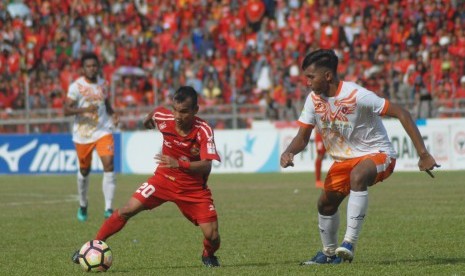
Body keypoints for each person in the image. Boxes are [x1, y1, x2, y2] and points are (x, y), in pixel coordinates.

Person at [280, 49, 439, 264]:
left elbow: (403, 113)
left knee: (358, 176)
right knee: (325, 205)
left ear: (327, 76)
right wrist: (289, 151)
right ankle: (328, 254)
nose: (307, 82)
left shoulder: (357, 95)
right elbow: (302, 137)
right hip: (343, 161)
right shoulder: (313, 100)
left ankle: (348, 244)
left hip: (378, 154)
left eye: (310, 77)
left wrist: (423, 154)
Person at [72, 86, 222, 267]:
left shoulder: (203, 130)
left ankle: (208, 254)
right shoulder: (165, 117)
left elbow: (207, 164)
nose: (177, 116)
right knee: (127, 208)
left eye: (183, 112)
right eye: (175, 110)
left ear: (195, 110)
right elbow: (154, 114)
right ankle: (92, 246)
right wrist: (146, 121)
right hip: (163, 179)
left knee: (212, 236)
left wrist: (180, 164)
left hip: (193, 189)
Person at [64, 52, 118, 222]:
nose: (92, 69)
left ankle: (108, 209)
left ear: (98, 67)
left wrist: (113, 114)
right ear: (83, 68)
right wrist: (84, 110)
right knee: (84, 171)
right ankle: (83, 204)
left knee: (109, 165)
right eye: (88, 66)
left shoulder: (103, 84)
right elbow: (66, 110)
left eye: (94, 66)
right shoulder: (76, 87)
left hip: (103, 130)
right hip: (83, 134)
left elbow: (106, 102)